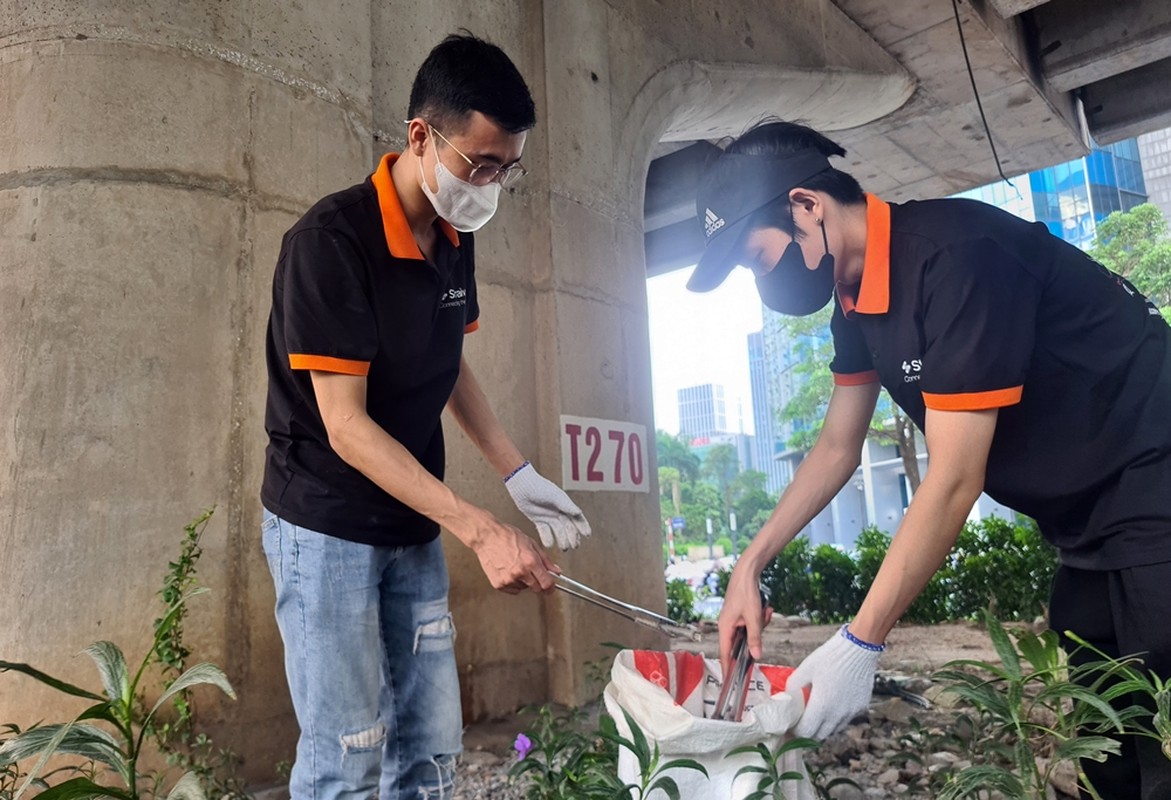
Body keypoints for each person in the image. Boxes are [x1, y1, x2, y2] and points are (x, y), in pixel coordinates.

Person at [690, 120, 1171, 800]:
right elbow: (834, 447)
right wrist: (750, 564)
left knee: (1160, 719)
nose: (757, 274)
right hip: (1082, 520)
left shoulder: (958, 256)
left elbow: (951, 478)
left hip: (1153, 471)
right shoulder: (852, 306)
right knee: (1101, 726)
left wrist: (860, 642)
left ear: (805, 206)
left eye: (752, 255)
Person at [260, 33, 592, 800]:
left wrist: (517, 470)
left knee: (432, 750)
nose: (492, 185)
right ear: (421, 135)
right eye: (480, 163)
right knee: (347, 751)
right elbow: (344, 426)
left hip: (412, 521)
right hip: (325, 524)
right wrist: (477, 527)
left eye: (507, 168)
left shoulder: (453, 234)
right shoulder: (328, 243)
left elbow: (449, 363)